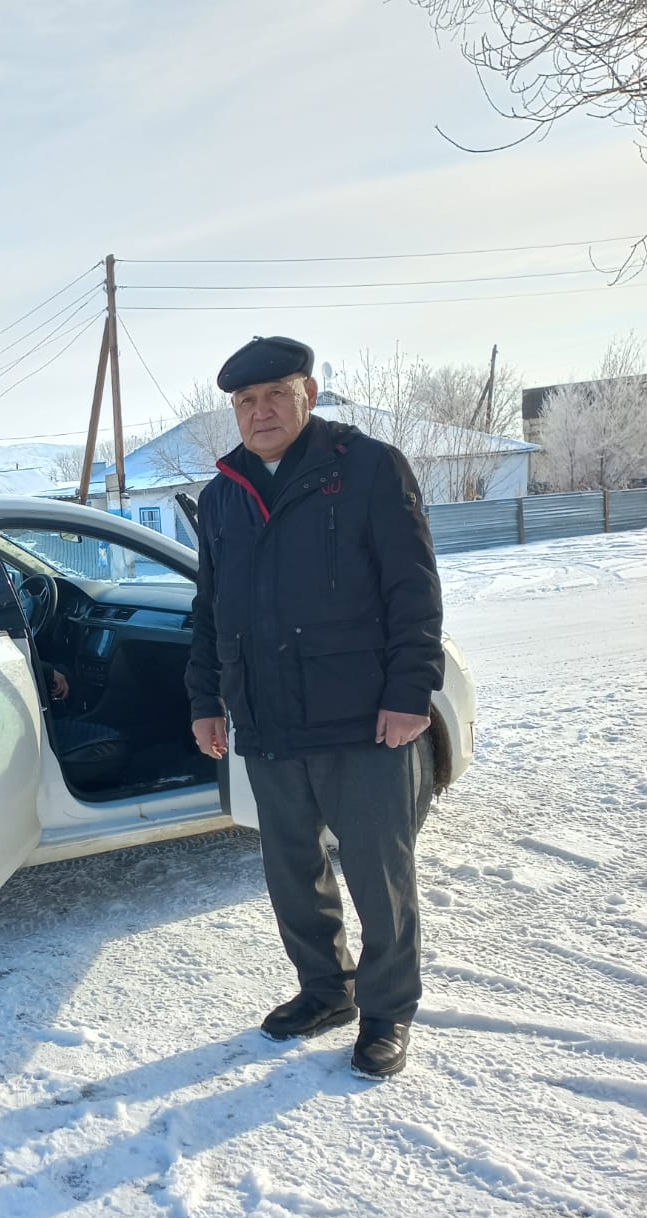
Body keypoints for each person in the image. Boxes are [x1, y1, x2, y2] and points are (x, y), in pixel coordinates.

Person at [185, 336, 444, 1079]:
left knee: (378, 873)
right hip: (267, 718)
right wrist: (207, 699)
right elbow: (211, 608)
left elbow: (413, 591)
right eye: (244, 401)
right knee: (291, 869)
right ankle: (327, 991)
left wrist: (409, 696)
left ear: (310, 393)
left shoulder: (366, 469)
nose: (259, 411)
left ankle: (388, 1011)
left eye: (275, 395)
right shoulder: (223, 494)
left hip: (360, 718)